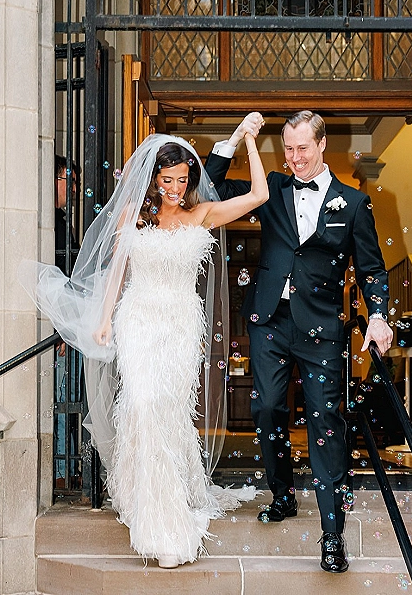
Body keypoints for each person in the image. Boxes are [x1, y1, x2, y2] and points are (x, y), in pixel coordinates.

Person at [20, 132, 268, 568]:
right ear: (153, 179)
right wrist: (103, 320)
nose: (174, 189)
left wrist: (248, 137)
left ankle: (162, 501)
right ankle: (158, 519)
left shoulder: (201, 213)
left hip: (180, 326)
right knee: (143, 404)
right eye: (167, 180)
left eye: (182, 180)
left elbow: (259, 196)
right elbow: (117, 271)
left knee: (167, 412)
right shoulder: (133, 217)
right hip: (138, 321)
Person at [205, 110, 393, 574]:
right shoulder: (270, 188)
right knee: (268, 408)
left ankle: (332, 535)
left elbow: (371, 268)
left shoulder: (354, 203)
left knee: (326, 421)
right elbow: (210, 190)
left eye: (303, 148)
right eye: (288, 149)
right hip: (270, 320)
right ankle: (283, 493)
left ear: (322, 144)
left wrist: (378, 317)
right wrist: (234, 139)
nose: (295, 158)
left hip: (322, 328)